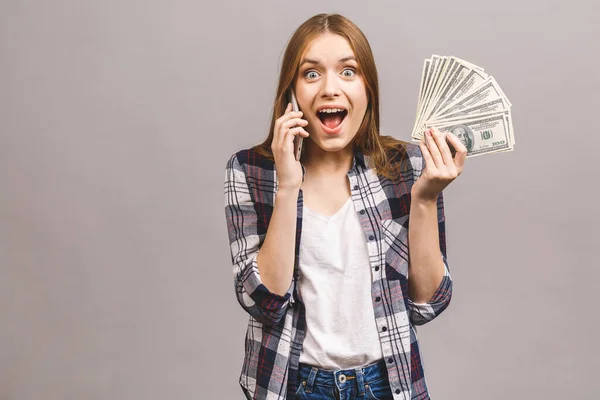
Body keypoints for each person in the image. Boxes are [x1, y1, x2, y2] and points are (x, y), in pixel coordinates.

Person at [224, 13, 467, 400]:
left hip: (387, 384)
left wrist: (425, 198)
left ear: (368, 89)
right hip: (294, 386)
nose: (330, 89)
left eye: (348, 72)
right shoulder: (250, 170)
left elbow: (427, 303)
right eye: (311, 74)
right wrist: (288, 186)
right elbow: (262, 302)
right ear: (291, 93)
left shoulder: (406, 168)